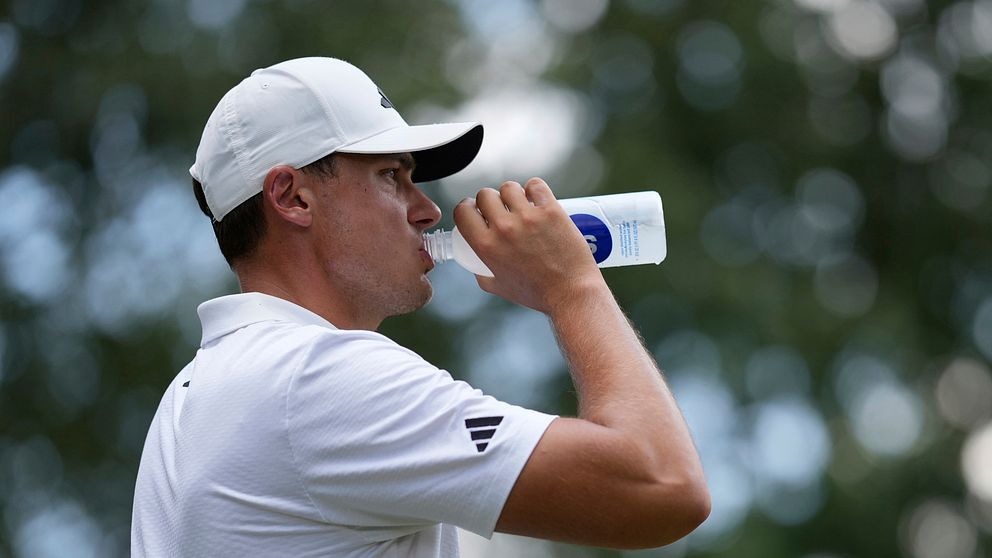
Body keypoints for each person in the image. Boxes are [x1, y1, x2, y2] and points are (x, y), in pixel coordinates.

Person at [131, 56, 710, 557]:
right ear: (293, 197)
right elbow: (663, 485)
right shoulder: (319, 376)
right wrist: (572, 288)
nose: (428, 210)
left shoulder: (189, 398)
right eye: (391, 176)